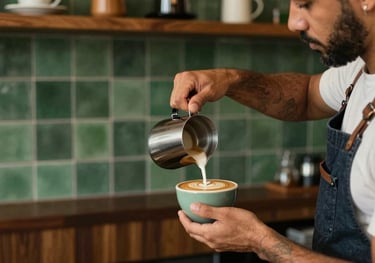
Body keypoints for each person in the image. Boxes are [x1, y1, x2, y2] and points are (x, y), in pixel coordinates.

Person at [169, 0, 375, 262]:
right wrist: (228, 80)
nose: (293, 23)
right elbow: (306, 96)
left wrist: (259, 240)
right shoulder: (358, 72)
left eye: (304, 4)